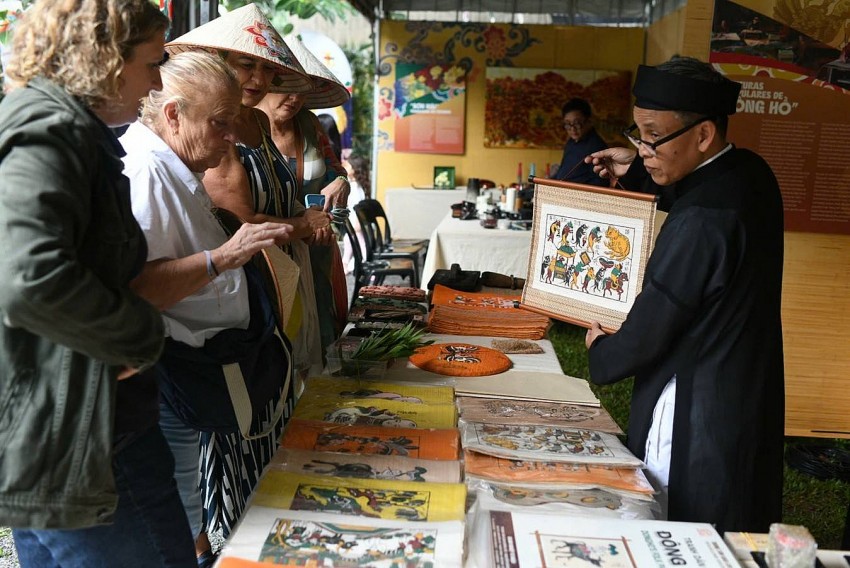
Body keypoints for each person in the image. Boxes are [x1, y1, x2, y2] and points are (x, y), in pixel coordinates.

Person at [0, 1, 199, 566]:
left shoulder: (67, 129)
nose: (158, 81)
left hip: (75, 428)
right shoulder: (50, 130)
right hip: (83, 438)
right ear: (105, 58)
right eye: (152, 62)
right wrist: (138, 335)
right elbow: (28, 276)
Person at [583, 56, 784, 533]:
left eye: (652, 136)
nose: (642, 147)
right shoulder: (750, 174)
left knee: (684, 521)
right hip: (744, 383)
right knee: (736, 512)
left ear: (703, 135)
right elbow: (694, 187)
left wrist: (602, 353)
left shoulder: (701, 223)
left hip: (696, 401)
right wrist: (636, 167)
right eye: (636, 134)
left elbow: (653, 325)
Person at [121, 50, 294, 567]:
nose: (231, 137)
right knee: (178, 501)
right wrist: (224, 257)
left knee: (187, 495)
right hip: (177, 366)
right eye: (219, 123)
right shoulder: (149, 171)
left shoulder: (173, 162)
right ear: (173, 113)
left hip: (201, 358)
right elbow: (143, 288)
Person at [165, 3, 331, 540]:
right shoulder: (212, 130)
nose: (259, 79)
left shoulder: (257, 121)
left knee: (279, 395)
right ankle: (231, 531)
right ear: (214, 65)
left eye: (266, 70)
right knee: (245, 402)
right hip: (250, 287)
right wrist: (301, 224)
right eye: (245, 67)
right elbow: (235, 224)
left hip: (283, 277)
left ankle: (269, 513)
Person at [256, 34, 352, 352]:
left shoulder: (310, 126)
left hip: (316, 251)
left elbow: (335, 170)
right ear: (264, 83)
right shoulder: (241, 129)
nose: (294, 98)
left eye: (302, 89)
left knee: (318, 341)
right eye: (286, 86)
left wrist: (342, 182)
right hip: (269, 255)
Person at [553, 98, 609, 187]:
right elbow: (562, 171)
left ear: (589, 121)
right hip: (561, 190)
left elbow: (600, 182)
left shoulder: (596, 146)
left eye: (577, 123)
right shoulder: (571, 142)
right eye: (568, 124)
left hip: (577, 196)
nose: (572, 129)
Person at [341, 154, 371, 274]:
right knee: (353, 241)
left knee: (357, 242)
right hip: (355, 221)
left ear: (354, 169)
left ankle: (363, 265)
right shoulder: (356, 185)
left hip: (356, 221)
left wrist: (358, 222)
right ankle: (348, 263)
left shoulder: (354, 187)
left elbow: (357, 207)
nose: (344, 167)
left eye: (347, 166)